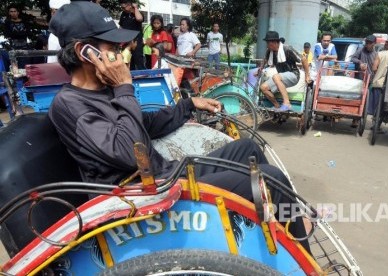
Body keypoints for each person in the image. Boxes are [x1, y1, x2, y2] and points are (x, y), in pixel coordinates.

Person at [48, 1, 309, 250]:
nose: (120, 53)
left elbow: (143, 124)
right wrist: (122, 87)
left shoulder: (105, 91)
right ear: (86, 52)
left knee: (247, 148)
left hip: (167, 174)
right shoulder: (70, 104)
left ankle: (276, 230)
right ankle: (303, 262)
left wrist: (189, 105)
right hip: (145, 196)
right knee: (270, 180)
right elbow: (130, 153)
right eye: (112, 47)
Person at [259, 31, 309, 112]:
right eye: (267, 43)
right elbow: (265, 59)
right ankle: (277, 106)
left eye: (268, 43)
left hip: (294, 75)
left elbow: (304, 59)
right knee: (263, 87)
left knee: (276, 76)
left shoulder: (287, 49)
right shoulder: (269, 51)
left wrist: (307, 76)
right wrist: (260, 68)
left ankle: (287, 104)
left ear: (275, 42)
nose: (267, 45)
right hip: (281, 77)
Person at [350, 34, 378, 127]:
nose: (367, 44)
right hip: (359, 78)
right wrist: (359, 62)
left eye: (370, 43)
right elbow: (353, 58)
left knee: (365, 100)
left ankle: (361, 117)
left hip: (370, 80)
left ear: (374, 44)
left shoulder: (376, 54)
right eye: (367, 42)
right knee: (357, 98)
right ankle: (355, 119)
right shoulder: (360, 50)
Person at [118, 0, 145, 70]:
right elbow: (121, 26)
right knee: (128, 59)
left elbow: (139, 19)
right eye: (122, 8)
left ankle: (143, 75)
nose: (123, 9)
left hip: (136, 41)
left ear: (129, 5)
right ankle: (131, 76)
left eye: (124, 7)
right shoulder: (123, 14)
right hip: (126, 41)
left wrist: (135, 8)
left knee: (138, 59)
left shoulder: (137, 13)